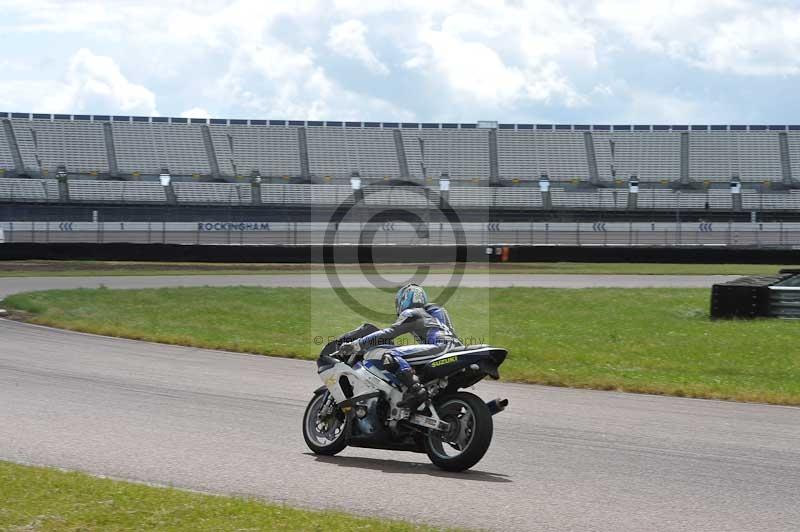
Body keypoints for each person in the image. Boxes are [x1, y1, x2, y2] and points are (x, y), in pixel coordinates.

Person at [339, 284, 461, 410]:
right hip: (454, 349)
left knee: (391, 355)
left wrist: (357, 344)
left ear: (403, 299)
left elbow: (389, 333)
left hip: (440, 347)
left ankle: (416, 391)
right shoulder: (435, 313)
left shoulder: (411, 313)